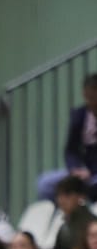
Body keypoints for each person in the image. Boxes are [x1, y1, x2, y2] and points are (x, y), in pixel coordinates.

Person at [35, 73, 97, 202]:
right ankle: (68, 214)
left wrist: (91, 172)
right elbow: (71, 150)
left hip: (93, 175)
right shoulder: (80, 116)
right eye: (88, 97)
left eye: (93, 97)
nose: (90, 102)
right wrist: (75, 169)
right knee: (44, 184)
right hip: (83, 174)